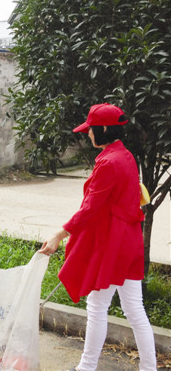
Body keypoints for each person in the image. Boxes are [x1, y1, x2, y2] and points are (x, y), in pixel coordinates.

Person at [39, 103, 157, 371]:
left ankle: (86, 367)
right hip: (130, 241)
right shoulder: (126, 156)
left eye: (91, 129)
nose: (88, 134)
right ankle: (149, 368)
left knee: (97, 306)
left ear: (104, 128)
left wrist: (60, 233)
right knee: (134, 310)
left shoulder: (109, 162)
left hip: (113, 243)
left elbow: (91, 208)